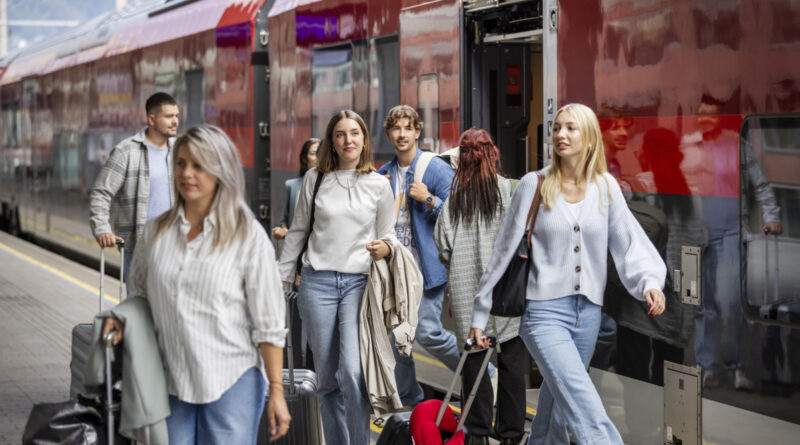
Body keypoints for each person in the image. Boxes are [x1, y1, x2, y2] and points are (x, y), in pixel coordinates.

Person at [469, 103, 667, 444]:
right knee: (583, 402)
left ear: (589, 138)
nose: (560, 134)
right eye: (557, 127)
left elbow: (629, 240)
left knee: (557, 406)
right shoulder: (534, 185)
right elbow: (503, 252)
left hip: (588, 313)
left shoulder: (605, 187)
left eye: (571, 128)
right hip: (542, 314)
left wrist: (649, 282)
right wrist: (480, 311)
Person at [101, 125, 291, 444]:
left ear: (221, 171)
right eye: (181, 163)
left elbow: (269, 324)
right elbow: (142, 295)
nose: (187, 173)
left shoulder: (247, 236)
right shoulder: (156, 232)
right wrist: (123, 316)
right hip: (168, 379)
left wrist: (276, 391)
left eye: (199, 165)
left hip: (232, 379)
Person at [277, 110, 395, 445]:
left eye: (355, 133)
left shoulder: (378, 185)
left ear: (364, 139)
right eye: (340, 134)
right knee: (327, 380)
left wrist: (384, 247)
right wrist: (281, 278)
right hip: (317, 283)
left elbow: (390, 236)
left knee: (353, 373)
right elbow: (298, 232)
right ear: (332, 140)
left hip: (358, 285)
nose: (348, 140)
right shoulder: (315, 179)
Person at [683, 94, 783, 390]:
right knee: (703, 306)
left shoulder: (738, 147)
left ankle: (735, 365)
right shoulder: (688, 147)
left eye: (711, 115)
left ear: (722, 118)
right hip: (696, 236)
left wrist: (771, 215)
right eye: (702, 114)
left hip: (729, 235)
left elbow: (760, 185)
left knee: (730, 304)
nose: (705, 119)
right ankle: (707, 366)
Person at [433, 128, 526, 445]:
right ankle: (511, 434)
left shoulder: (454, 202)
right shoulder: (511, 193)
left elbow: (443, 247)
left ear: (461, 160)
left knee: (475, 363)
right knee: (511, 364)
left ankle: (477, 434)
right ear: (493, 155)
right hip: (507, 295)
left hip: (468, 296)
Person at [377, 105, 459, 406]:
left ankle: (482, 372)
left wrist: (428, 199)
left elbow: (459, 215)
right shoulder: (382, 175)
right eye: (395, 129)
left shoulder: (434, 168)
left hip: (426, 269)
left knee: (427, 332)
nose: (401, 134)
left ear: (417, 131)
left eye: (407, 128)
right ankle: (410, 400)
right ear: (388, 133)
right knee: (396, 338)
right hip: (394, 271)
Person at [89, 92, 179, 288]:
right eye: (169, 116)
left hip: (175, 247)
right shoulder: (126, 152)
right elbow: (101, 193)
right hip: (138, 249)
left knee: (173, 311)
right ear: (152, 119)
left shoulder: (181, 151)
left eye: (177, 116)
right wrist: (102, 229)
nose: (175, 121)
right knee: (140, 309)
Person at [271, 138, 320, 240]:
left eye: (321, 153)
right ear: (304, 158)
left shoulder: (331, 186)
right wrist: (283, 229)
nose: (318, 157)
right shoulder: (291, 186)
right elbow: (285, 220)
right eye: (313, 153)